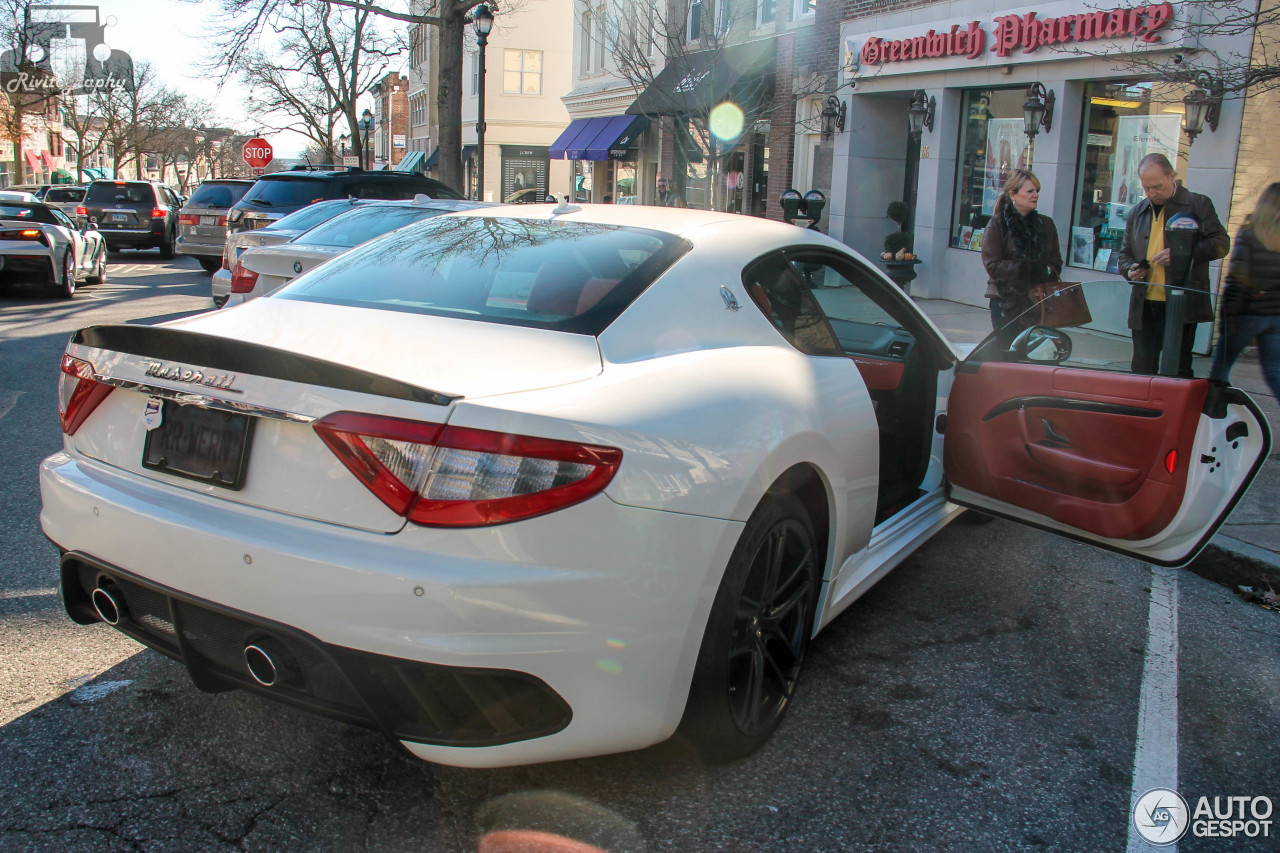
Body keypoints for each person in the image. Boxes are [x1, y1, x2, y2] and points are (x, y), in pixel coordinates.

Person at [1117, 153, 1229, 377]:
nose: (1152, 193)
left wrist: (1181, 255)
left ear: (1172, 177)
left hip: (1180, 301)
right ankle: (1142, 410)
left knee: (1177, 368)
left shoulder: (1197, 204)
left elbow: (1221, 244)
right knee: (1141, 368)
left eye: (1157, 186)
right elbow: (1124, 255)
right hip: (1145, 302)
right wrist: (1130, 270)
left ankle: (1173, 411)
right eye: (1147, 188)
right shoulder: (1137, 212)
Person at [1209, 182, 1280, 398]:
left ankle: (1212, 416)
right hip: (1276, 316)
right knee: (1274, 371)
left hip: (1246, 313)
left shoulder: (1250, 233)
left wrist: (1226, 319)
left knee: (1220, 370)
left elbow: (1237, 280)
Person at [981, 168, 1063, 345]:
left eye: (1037, 191)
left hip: (1039, 301)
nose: (1036, 195)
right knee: (1007, 355)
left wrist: (1046, 270)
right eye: (1030, 191)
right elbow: (992, 265)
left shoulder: (1046, 224)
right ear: (1013, 194)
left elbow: (1056, 261)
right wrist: (1026, 268)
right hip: (1005, 302)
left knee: (1038, 355)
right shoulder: (998, 223)